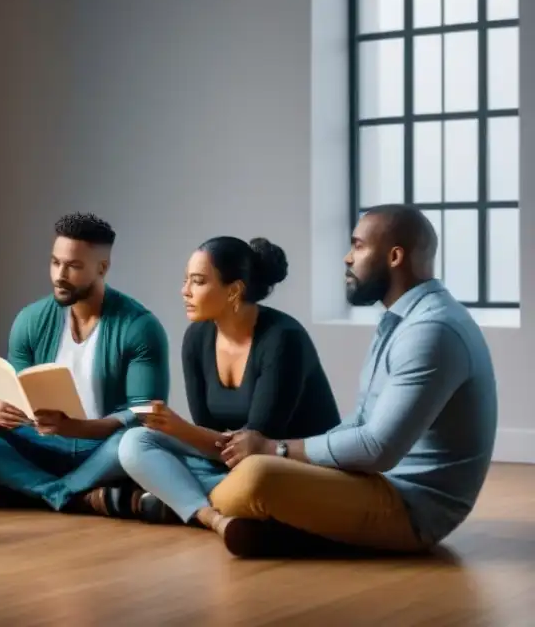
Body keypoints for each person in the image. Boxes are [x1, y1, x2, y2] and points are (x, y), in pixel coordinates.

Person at [201, 205, 497, 557]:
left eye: (357, 246)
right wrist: (289, 456)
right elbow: (359, 422)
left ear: (395, 256)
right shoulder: (402, 319)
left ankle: (193, 505)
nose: (346, 258)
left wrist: (274, 449)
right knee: (245, 465)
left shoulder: (431, 330)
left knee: (256, 476)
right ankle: (226, 512)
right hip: (375, 483)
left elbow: (377, 449)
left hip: (410, 508)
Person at [0, 212, 170, 516]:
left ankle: (25, 489)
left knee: (139, 440)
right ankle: (72, 495)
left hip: (101, 450)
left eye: (74, 266)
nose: (60, 275)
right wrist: (6, 409)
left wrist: (79, 427)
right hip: (39, 444)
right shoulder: (31, 319)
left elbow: (145, 413)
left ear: (102, 268)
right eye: (55, 262)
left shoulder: (139, 327)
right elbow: (20, 391)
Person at [118, 236, 341, 525]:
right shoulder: (196, 338)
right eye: (186, 280)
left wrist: (181, 430)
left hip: (288, 466)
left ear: (234, 290)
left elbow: (256, 445)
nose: (184, 291)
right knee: (135, 442)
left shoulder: (284, 339)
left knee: (253, 476)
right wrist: (179, 431)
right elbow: (210, 436)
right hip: (229, 463)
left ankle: (179, 499)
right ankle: (209, 513)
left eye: (197, 282)